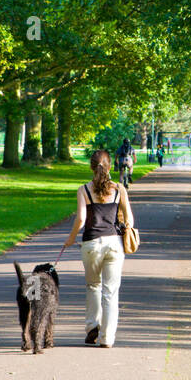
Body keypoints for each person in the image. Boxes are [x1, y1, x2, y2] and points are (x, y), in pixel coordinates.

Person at [62, 149, 135, 348]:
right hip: (114, 244)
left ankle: (92, 326)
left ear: (91, 167)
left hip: (91, 243)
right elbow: (129, 219)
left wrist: (70, 239)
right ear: (110, 166)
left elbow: (81, 219)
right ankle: (106, 338)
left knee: (93, 286)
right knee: (110, 291)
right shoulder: (119, 189)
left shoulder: (84, 190)